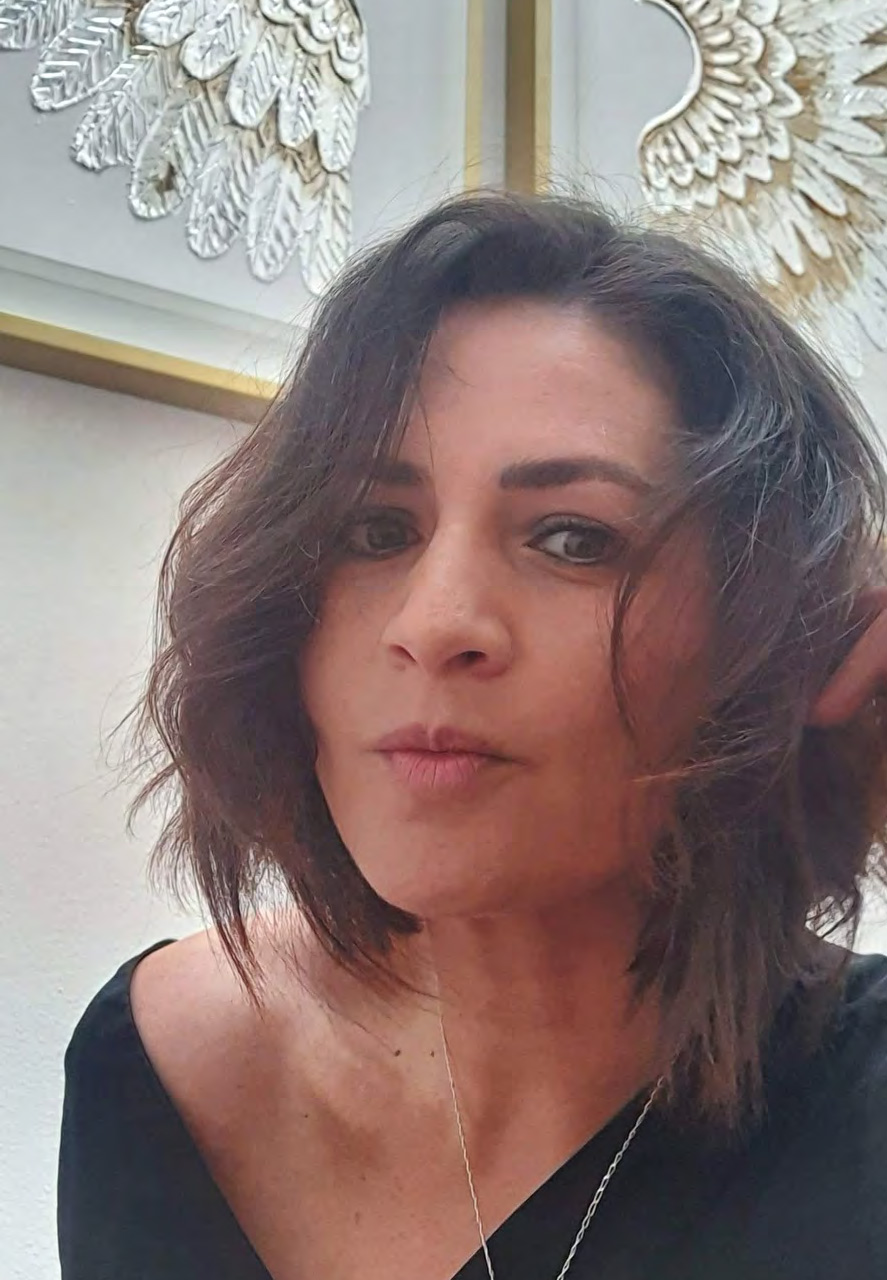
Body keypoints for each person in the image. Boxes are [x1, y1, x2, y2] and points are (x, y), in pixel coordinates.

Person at [58, 192, 887, 1280]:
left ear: (773, 629)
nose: (432, 622)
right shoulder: (160, 1065)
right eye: (375, 530)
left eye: (571, 539)